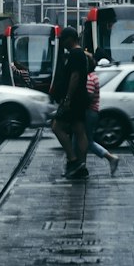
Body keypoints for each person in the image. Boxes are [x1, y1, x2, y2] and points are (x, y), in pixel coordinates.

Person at [51, 27, 90, 178]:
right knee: (79, 130)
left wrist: (67, 98)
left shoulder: (75, 54)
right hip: (79, 98)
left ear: (70, 39)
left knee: (56, 127)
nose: (62, 42)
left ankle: (73, 160)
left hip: (73, 99)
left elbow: (75, 77)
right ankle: (81, 167)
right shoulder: (81, 54)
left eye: (63, 39)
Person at [84, 60, 120, 174]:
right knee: (82, 140)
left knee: (86, 141)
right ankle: (79, 165)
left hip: (89, 112)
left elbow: (88, 97)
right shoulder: (93, 76)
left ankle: (110, 157)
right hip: (92, 112)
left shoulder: (89, 78)